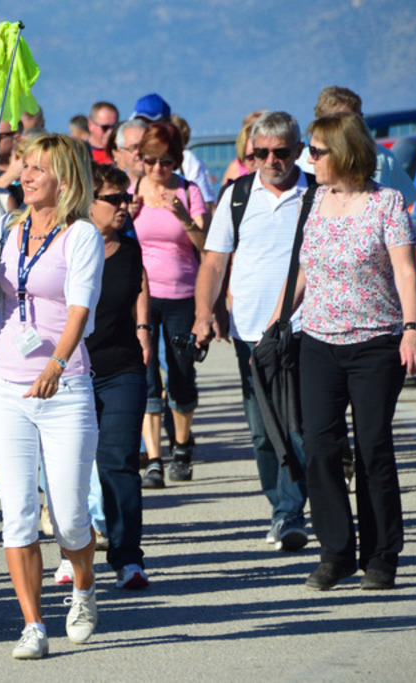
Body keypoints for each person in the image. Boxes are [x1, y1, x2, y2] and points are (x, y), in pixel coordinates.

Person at [282, 111, 416, 591]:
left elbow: (405, 272)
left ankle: (382, 557)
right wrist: (282, 318)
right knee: (320, 447)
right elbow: (304, 268)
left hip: (377, 342)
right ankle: (335, 553)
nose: (309, 159)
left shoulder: (387, 204)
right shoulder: (313, 201)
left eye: (316, 151)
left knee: (373, 447)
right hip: (319, 341)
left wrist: (411, 329)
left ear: (342, 153)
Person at [0, 133, 105, 659]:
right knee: (18, 514)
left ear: (66, 178)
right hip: (5, 387)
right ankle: (33, 625)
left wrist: (56, 365)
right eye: (23, 167)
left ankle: (83, 588)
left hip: (66, 384)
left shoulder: (82, 236)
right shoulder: (10, 229)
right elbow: (1, 297)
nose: (24, 176)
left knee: (72, 515)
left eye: (37, 169)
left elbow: (78, 310)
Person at [192, 111, 313, 552]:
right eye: (260, 153)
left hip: (304, 328)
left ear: (298, 151)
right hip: (248, 333)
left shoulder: (316, 194)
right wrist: (204, 312)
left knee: (298, 425)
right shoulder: (237, 195)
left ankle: (290, 513)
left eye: (280, 152)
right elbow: (214, 260)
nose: (270, 160)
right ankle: (281, 505)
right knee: (263, 430)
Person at [85, 163, 151, 589]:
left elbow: (140, 285)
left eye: (125, 198)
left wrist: (144, 330)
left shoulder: (130, 249)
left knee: (119, 461)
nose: (123, 206)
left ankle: (128, 558)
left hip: (123, 367)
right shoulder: (70, 249)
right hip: (72, 371)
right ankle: (77, 553)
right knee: (71, 467)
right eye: (113, 199)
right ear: (89, 204)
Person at [132, 121, 208, 487]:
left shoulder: (189, 190)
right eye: (150, 161)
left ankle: (181, 447)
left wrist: (181, 215)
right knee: (146, 377)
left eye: (165, 162)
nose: (158, 169)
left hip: (182, 294)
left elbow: (206, 245)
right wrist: (126, 215)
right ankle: (154, 460)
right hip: (141, 296)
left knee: (181, 374)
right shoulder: (131, 191)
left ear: (176, 160)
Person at [298, 86, 416, 208]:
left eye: (359, 118)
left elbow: (406, 196)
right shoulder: (301, 161)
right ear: (322, 122)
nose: (355, 126)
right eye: (344, 120)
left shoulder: (380, 156)